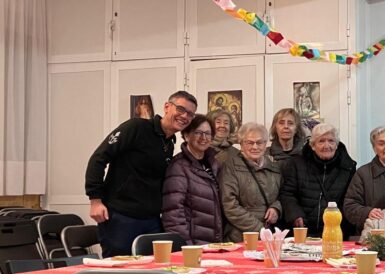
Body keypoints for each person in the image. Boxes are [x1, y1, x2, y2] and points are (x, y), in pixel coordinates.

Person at [85, 90, 197, 257]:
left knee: (154, 268)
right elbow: (98, 158)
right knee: (120, 268)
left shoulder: (169, 143)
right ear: (167, 107)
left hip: (151, 219)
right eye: (181, 109)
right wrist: (95, 200)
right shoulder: (136, 127)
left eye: (190, 114)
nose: (185, 116)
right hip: (121, 216)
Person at [279, 123, 357, 238]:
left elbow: (350, 200)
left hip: (335, 232)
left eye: (331, 141)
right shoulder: (296, 164)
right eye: (321, 141)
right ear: (313, 146)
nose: (327, 146)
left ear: (336, 145)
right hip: (302, 231)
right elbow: (287, 194)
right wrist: (295, 215)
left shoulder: (348, 168)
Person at [162, 114, 222, 245]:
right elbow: (173, 213)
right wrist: (186, 246)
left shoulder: (213, 164)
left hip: (212, 242)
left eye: (207, 133)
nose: (203, 138)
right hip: (192, 244)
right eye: (198, 133)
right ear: (186, 135)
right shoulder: (178, 166)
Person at [220, 122, 283, 242]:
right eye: (249, 142)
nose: (255, 147)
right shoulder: (231, 167)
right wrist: (259, 229)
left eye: (259, 142)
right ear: (241, 144)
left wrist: (277, 208)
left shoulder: (274, 167)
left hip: (270, 234)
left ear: (265, 144)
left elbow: (283, 195)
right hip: (240, 236)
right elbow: (229, 205)